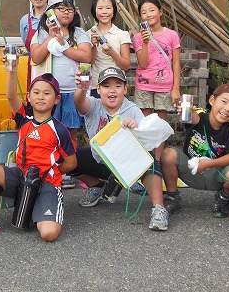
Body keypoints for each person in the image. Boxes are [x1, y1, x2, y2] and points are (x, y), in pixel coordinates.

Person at [0, 59, 77, 242]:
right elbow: (11, 96)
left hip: (47, 183)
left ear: (57, 99)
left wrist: (51, 173)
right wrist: (12, 70)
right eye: (36, 93)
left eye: (47, 93)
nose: (41, 97)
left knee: (49, 234)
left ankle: (39, 205)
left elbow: (71, 162)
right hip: (21, 176)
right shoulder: (24, 118)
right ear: (29, 96)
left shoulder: (59, 129)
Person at [72, 67, 169, 231]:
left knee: (151, 160)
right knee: (68, 158)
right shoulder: (94, 105)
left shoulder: (133, 109)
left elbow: (147, 139)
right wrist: (81, 89)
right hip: (102, 162)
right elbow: (80, 103)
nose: (112, 90)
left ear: (125, 89)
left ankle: (159, 209)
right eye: (106, 86)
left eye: (118, 86)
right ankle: (96, 186)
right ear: (98, 89)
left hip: (126, 165)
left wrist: (135, 127)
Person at [30, 0, 90, 189]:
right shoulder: (41, 32)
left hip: (72, 91)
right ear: (51, 12)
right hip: (49, 93)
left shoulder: (78, 33)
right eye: (61, 8)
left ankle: (66, 170)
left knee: (70, 132)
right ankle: (49, 166)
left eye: (69, 9)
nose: (65, 13)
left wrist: (63, 44)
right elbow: (36, 57)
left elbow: (86, 56)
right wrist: (51, 36)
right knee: (48, 131)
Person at [161, 83, 229, 219]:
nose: (227, 109)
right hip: (191, 169)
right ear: (212, 100)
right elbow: (195, 118)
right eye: (224, 102)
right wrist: (187, 110)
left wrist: (207, 164)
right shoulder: (200, 114)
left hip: (216, 173)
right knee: (168, 154)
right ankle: (172, 197)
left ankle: (223, 198)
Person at [133, 0, 181, 119]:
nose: (148, 15)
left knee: (161, 126)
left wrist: (176, 89)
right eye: (144, 12)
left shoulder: (172, 35)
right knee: (145, 125)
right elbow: (142, 64)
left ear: (160, 12)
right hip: (144, 85)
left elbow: (176, 63)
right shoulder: (138, 37)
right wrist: (145, 42)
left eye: (152, 10)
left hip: (164, 86)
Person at [87, 0, 131, 97]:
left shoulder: (122, 34)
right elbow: (88, 64)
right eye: (100, 8)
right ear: (94, 10)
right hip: (96, 86)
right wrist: (93, 46)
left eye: (108, 8)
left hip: (117, 86)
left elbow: (126, 65)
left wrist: (112, 53)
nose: (104, 12)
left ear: (114, 10)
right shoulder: (88, 34)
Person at [19, 0, 51, 85]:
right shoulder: (24, 21)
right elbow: (27, 46)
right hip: (34, 67)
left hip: (54, 65)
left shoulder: (56, 17)